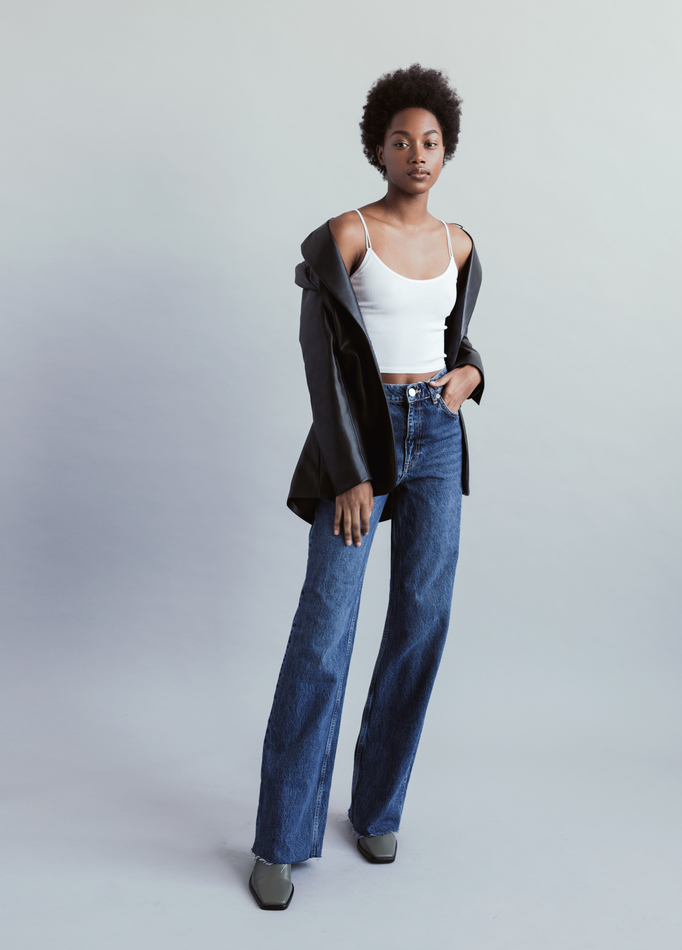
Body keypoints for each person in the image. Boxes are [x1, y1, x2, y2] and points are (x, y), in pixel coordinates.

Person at [249, 63, 484, 910]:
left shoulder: (460, 244)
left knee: (420, 622)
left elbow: (452, 339)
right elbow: (322, 359)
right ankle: (281, 839)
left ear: (445, 151)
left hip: (436, 441)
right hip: (362, 434)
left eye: (430, 141)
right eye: (400, 140)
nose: (416, 153)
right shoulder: (344, 234)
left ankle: (378, 808)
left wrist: (470, 377)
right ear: (376, 148)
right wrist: (349, 469)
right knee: (325, 630)